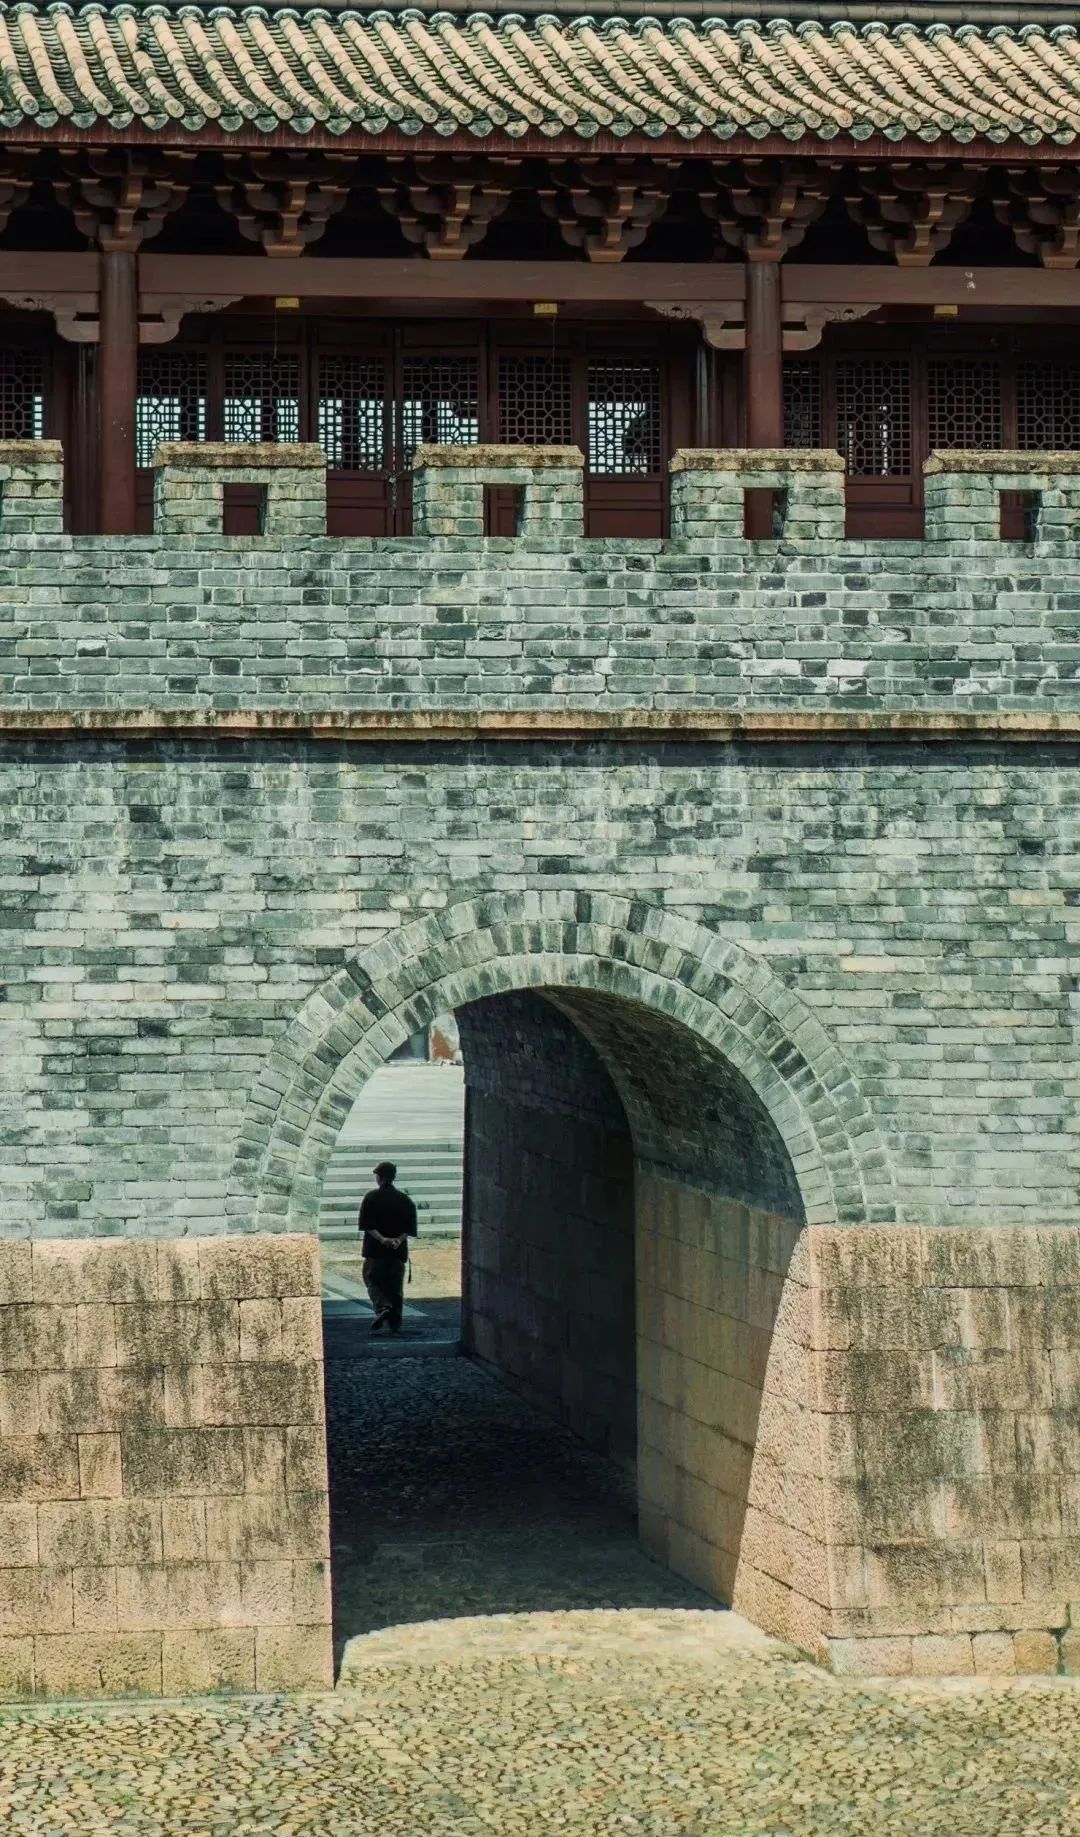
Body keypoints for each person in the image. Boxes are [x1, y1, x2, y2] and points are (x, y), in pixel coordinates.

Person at [357, 1161, 417, 1334]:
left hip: (375, 1250)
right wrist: (397, 1240)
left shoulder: (371, 1197)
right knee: (395, 1287)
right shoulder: (405, 1200)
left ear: (379, 1177)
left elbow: (367, 1225)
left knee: (372, 1279)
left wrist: (383, 1239)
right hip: (398, 1251)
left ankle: (382, 1306)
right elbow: (410, 1228)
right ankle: (395, 1323)